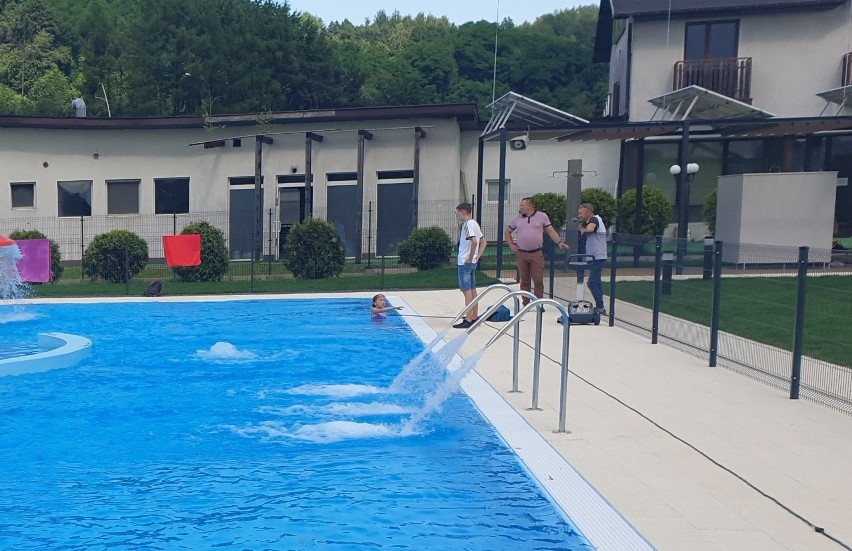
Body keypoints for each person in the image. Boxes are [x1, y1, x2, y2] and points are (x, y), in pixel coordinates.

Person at [504, 197, 569, 305]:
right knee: (524, 280)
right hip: (521, 253)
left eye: (522, 205)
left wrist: (559, 242)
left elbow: (550, 231)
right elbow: (507, 232)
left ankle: (538, 303)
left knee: (538, 280)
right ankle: (526, 302)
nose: (520, 208)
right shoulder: (518, 219)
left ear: (529, 206)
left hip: (536, 253)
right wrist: (511, 244)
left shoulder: (542, 216)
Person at [453, 202, 485, 328]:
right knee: (472, 289)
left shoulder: (466, 224)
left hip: (465, 262)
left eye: (457, 213)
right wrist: (477, 257)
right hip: (471, 263)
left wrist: (471, 257)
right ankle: (474, 316)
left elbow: (474, 241)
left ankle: (468, 319)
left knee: (466, 291)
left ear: (463, 212)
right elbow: (484, 241)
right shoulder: (475, 223)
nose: (457, 216)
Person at [577, 203, 607, 314]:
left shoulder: (595, 219)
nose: (579, 215)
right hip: (593, 256)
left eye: (581, 213)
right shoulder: (590, 221)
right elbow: (581, 227)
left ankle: (600, 306)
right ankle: (600, 305)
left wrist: (584, 229)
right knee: (597, 282)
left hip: (598, 256)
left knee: (592, 282)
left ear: (588, 212)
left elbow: (590, 229)